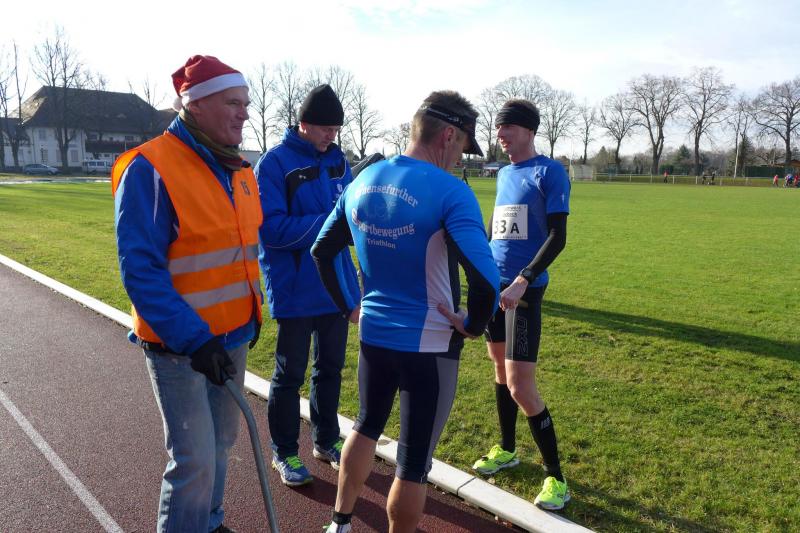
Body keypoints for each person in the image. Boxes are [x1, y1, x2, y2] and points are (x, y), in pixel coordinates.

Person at [312, 90, 500, 533]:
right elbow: (487, 282)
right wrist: (473, 325)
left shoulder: (363, 179)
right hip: (430, 343)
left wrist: (350, 306)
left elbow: (322, 251)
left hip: (374, 334)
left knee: (364, 426)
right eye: (462, 147)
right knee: (413, 463)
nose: (459, 158)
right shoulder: (450, 191)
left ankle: (339, 522)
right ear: (448, 135)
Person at [111, 55, 262, 533]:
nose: (244, 113)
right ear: (195, 105)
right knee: (193, 458)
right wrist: (195, 339)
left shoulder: (239, 168)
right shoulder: (151, 168)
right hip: (181, 348)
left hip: (233, 337)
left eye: (245, 103)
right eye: (232, 102)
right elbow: (141, 271)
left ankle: (209, 523)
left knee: (220, 445)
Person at [256, 84, 361, 486]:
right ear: (303, 123)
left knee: (330, 369)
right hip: (295, 288)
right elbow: (271, 230)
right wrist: (330, 223)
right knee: (289, 375)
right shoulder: (274, 163)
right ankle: (284, 452)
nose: (331, 136)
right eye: (324, 128)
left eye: (335, 129)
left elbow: (351, 217)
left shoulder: (338, 161)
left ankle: (326, 439)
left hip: (335, 287)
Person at [471, 98, 572, 511]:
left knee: (520, 385)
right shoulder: (504, 173)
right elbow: (500, 226)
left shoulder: (550, 171)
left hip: (524, 292)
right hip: (495, 287)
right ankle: (508, 449)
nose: (500, 136)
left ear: (528, 130)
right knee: (499, 371)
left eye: (507, 128)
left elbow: (558, 237)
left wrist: (523, 278)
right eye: (498, 129)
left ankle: (557, 478)